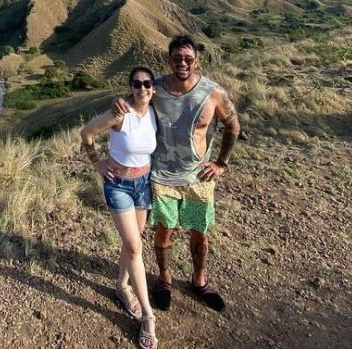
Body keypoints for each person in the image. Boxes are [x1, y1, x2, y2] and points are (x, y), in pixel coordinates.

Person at [113, 35, 240, 313]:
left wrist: (221, 163)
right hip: (162, 177)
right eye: (176, 58)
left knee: (199, 232)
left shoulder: (213, 93)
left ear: (197, 60)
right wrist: (118, 102)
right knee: (163, 231)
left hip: (198, 179)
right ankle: (165, 279)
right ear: (169, 59)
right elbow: (133, 100)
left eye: (187, 58)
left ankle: (199, 281)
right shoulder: (155, 88)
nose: (182, 63)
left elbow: (232, 125)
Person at [80, 67, 159, 349]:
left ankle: (122, 287)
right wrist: (97, 162)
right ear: (130, 87)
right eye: (137, 84)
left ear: (153, 88)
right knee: (135, 246)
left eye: (147, 83)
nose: (142, 88)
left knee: (132, 244)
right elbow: (86, 132)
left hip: (144, 183)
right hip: (119, 186)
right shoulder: (119, 114)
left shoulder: (154, 112)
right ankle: (149, 317)